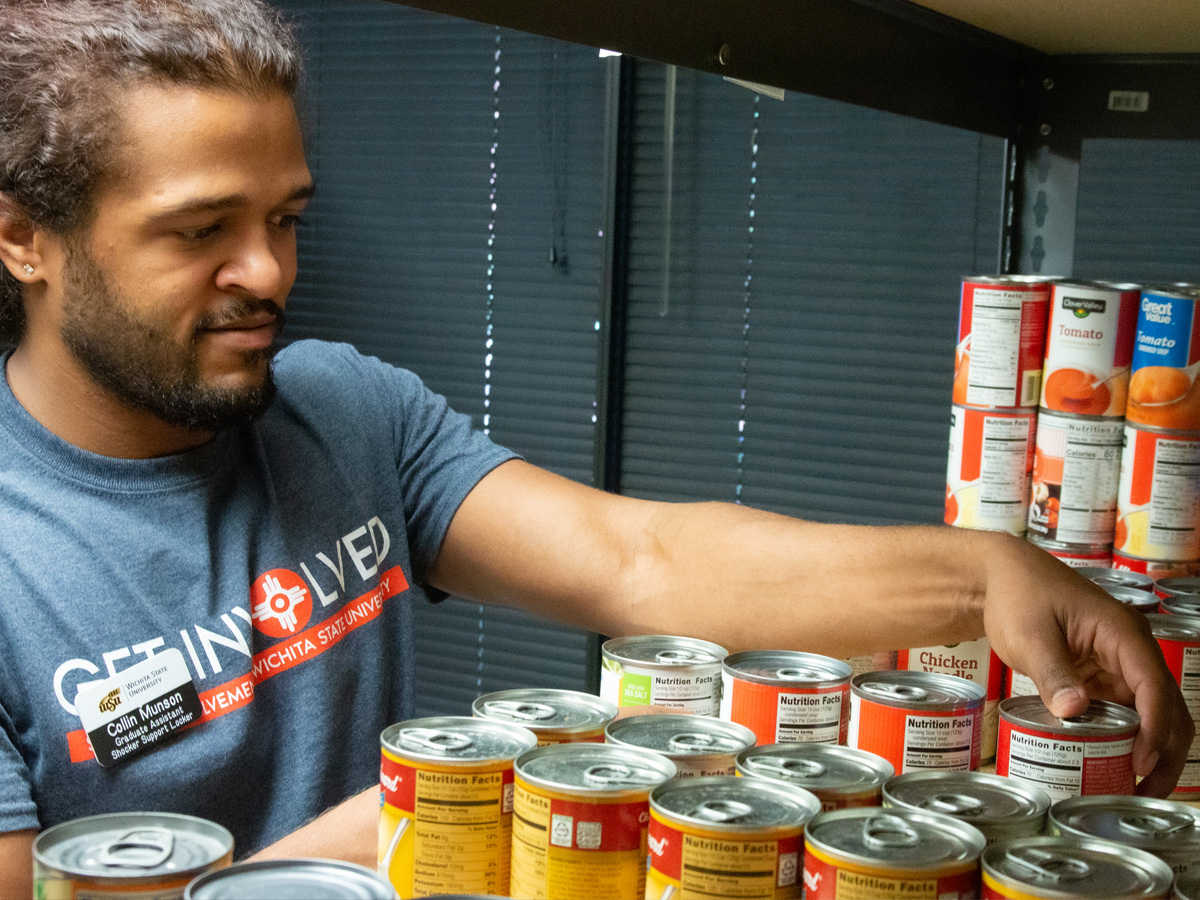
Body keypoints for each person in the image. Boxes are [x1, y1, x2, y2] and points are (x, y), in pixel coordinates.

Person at [0, 0, 1190, 896]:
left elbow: (643, 564)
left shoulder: (339, 406)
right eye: (202, 230)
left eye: (285, 220)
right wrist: (458, 804)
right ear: (24, 238)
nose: (269, 274)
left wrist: (982, 577)